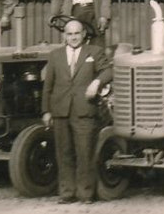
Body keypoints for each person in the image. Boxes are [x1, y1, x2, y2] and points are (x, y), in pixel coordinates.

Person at [41, 19, 113, 204]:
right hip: (60, 110)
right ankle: (67, 193)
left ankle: (86, 194)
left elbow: (108, 71)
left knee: (85, 153)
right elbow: (48, 85)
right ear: (64, 36)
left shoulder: (94, 52)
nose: (73, 37)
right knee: (63, 153)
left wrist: (96, 82)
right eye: (69, 34)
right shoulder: (55, 55)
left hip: (84, 109)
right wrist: (46, 111)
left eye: (76, 33)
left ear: (83, 35)